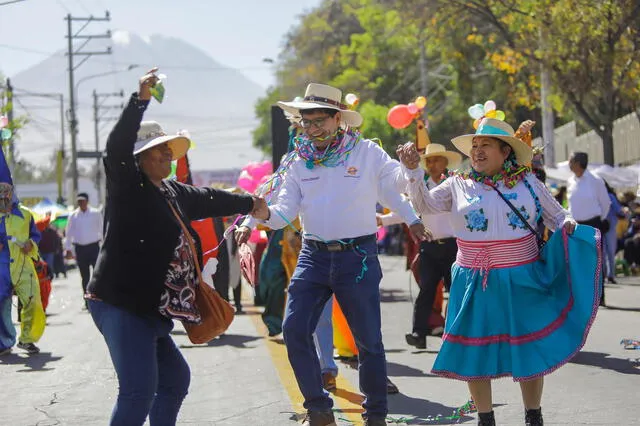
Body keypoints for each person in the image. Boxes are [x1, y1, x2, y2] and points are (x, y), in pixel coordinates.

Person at [84, 68, 269, 425]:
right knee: (138, 391)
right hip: (121, 305)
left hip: (150, 309)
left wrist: (250, 203)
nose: (168, 157)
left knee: (174, 381)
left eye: (169, 151)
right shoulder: (128, 189)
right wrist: (139, 101)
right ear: (139, 159)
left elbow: (209, 198)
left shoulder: (171, 192)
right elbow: (116, 147)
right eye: (159, 152)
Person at [238, 83, 430, 426]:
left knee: (368, 340)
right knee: (294, 329)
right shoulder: (297, 160)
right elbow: (283, 213)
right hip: (312, 255)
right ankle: (318, 407)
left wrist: (412, 167)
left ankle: (375, 414)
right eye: (305, 122)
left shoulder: (367, 152)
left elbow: (398, 184)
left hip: (357, 256)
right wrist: (260, 214)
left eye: (319, 121)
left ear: (338, 119)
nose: (312, 129)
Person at [398, 117, 602, 426]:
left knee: (529, 348)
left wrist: (568, 224)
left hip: (522, 275)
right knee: (474, 349)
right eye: (475, 146)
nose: (477, 151)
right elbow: (424, 205)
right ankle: (485, 417)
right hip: (471, 279)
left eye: (486, 146)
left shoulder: (529, 183)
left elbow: (558, 216)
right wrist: (412, 171)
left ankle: (533, 415)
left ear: (505, 152)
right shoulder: (457, 183)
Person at [382, 143, 461, 350]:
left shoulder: (455, 185)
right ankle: (419, 332)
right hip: (429, 247)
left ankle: (456, 332)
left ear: (445, 162)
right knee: (426, 290)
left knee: (455, 291)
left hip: (454, 247)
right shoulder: (420, 186)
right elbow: (406, 210)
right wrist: (384, 220)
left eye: (436, 160)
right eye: (429, 161)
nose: (432, 164)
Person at [0, 151, 45, 355]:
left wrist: (30, 243)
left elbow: (35, 236)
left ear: (12, 191)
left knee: (32, 300)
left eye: (6, 191)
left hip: (22, 264)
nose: (3, 195)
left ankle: (27, 339)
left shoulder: (25, 215)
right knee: (2, 305)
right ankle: (4, 341)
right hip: (1, 267)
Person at [567, 151, 610, 305]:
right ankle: (582, 298)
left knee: (595, 262)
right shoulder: (570, 181)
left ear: (578, 163)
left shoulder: (596, 180)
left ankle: (599, 296)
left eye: (570, 161)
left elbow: (606, 203)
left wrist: (600, 221)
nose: (568, 164)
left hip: (593, 223)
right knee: (577, 262)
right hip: (576, 226)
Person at [65, 192, 103, 302]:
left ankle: (97, 296)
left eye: (83, 201)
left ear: (87, 201)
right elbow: (69, 233)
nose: (81, 203)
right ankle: (87, 299)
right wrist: (68, 249)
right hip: (80, 249)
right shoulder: (73, 215)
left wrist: (104, 246)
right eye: (79, 201)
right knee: (84, 276)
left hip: (94, 247)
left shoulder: (96, 213)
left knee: (97, 273)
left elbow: (101, 230)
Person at [603, 181, 625, 283]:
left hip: (599, 225)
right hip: (610, 225)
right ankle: (610, 274)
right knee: (610, 251)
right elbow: (618, 210)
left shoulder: (596, 196)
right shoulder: (610, 196)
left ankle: (602, 275)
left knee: (601, 251)